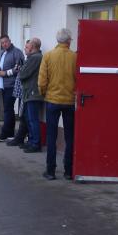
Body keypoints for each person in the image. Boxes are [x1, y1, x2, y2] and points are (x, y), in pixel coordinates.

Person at [38, 28, 77, 180]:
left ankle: (51, 171)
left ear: (57, 40)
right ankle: (68, 171)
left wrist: (44, 94)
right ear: (68, 41)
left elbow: (41, 81)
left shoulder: (48, 56)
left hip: (52, 101)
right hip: (69, 102)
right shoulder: (74, 57)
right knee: (70, 137)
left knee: (51, 136)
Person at [0, 34, 24, 142]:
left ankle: (4, 133)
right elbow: (0, 67)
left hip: (12, 85)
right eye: (2, 43)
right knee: (9, 109)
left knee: (7, 109)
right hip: (2, 85)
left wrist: (6, 73)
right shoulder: (1, 53)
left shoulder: (17, 52)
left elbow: (19, 67)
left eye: (6, 42)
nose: (4, 44)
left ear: (10, 41)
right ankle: (10, 133)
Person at [17, 37, 44, 153]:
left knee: (33, 119)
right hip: (31, 92)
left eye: (27, 47)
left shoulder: (35, 58)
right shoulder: (35, 58)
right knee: (29, 118)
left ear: (33, 47)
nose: (25, 49)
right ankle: (31, 141)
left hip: (33, 92)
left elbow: (23, 74)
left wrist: (20, 70)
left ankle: (35, 143)